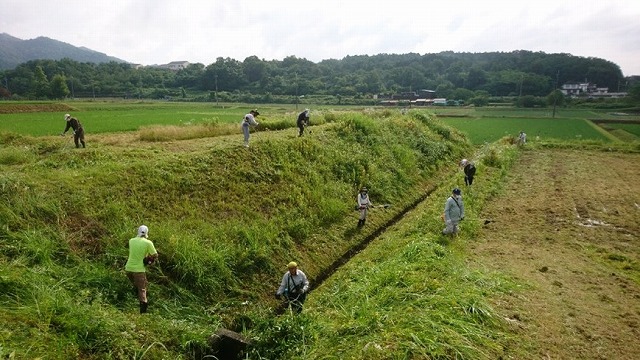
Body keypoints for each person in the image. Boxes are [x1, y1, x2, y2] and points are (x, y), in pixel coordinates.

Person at [125, 225, 158, 313]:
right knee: (142, 289)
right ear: (147, 233)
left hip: (128, 268)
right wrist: (148, 261)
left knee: (136, 286)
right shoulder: (148, 243)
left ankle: (130, 302)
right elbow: (155, 255)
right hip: (139, 270)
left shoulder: (131, 241)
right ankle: (143, 313)